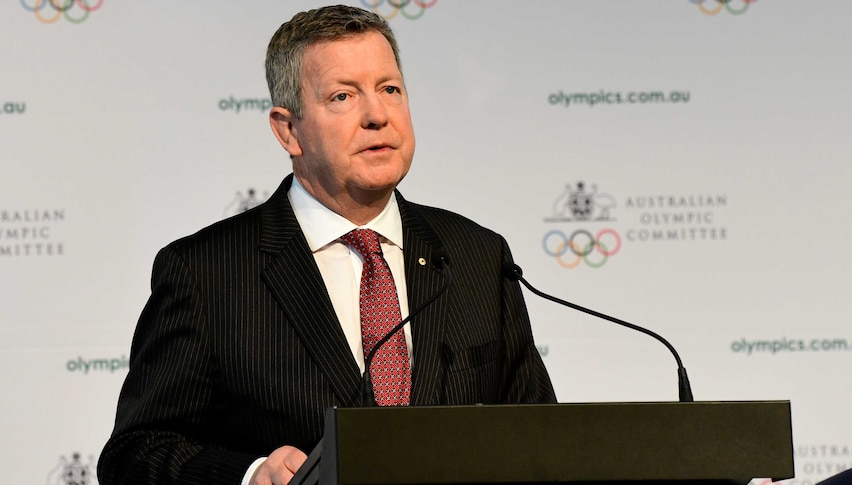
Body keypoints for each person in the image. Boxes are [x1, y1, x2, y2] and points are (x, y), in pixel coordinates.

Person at [97, 5, 555, 485]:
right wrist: (250, 475)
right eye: (342, 96)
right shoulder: (205, 272)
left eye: (390, 90)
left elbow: (541, 439)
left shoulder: (477, 256)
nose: (377, 115)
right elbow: (134, 453)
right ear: (288, 130)